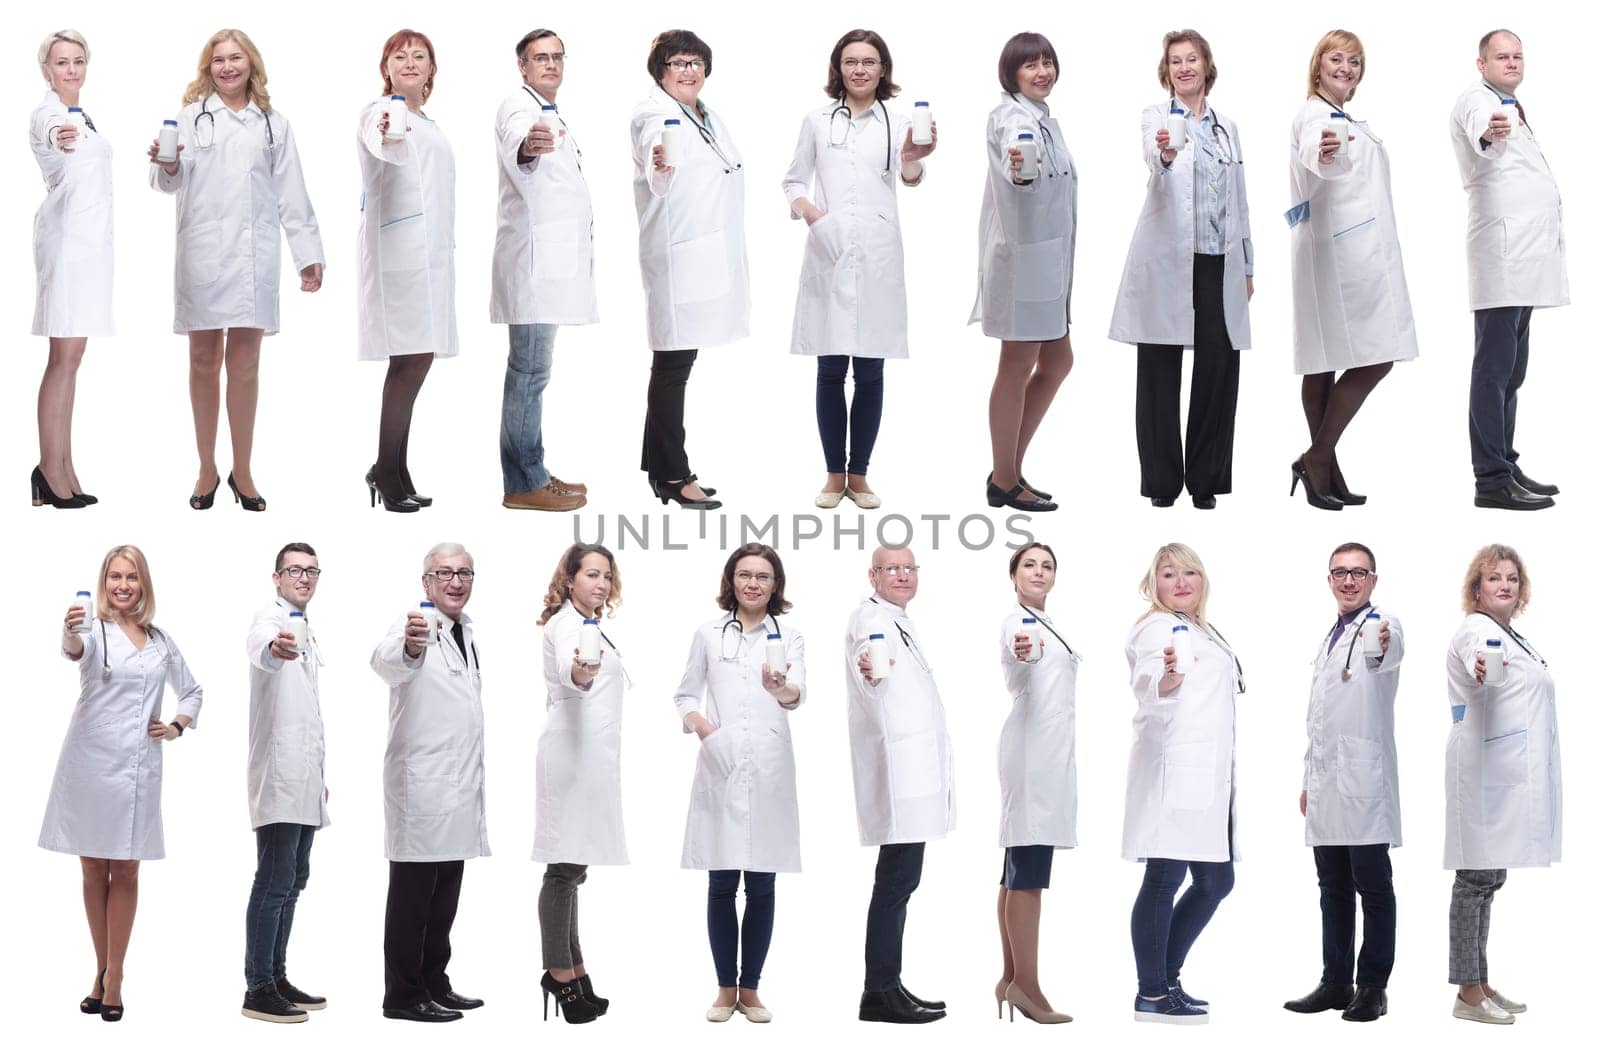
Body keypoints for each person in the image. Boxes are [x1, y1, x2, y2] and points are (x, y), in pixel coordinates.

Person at [150, 28, 323, 513]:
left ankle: (242, 469)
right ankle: (207, 466)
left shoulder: (273, 124)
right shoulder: (189, 118)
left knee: (245, 365)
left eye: (236, 58)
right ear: (209, 67)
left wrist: (306, 253)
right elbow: (167, 181)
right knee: (204, 362)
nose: (228, 67)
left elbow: (292, 191)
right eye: (219, 60)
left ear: (252, 65)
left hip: (252, 255)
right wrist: (166, 167)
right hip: (203, 253)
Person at [40, 545, 203, 1023]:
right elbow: (75, 650)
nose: (123, 585)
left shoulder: (160, 641)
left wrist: (177, 725)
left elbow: (192, 690)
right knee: (93, 871)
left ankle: (117, 974)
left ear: (143, 584)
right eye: (114, 577)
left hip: (136, 768)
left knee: (127, 871)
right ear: (104, 583)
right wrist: (71, 628)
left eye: (131, 577)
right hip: (89, 764)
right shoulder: (95, 632)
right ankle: (101, 970)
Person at [783, 29, 934, 510]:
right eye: (851, 61)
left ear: (883, 69)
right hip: (829, 251)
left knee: (870, 370)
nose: (860, 69)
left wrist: (912, 160)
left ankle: (860, 475)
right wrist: (812, 214)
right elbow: (792, 180)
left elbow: (907, 179)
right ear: (838, 68)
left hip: (877, 253)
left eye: (869, 61)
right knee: (830, 368)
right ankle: (833, 477)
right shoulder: (817, 120)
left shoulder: (899, 121)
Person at [1109, 29, 1253, 510]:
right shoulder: (1156, 117)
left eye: (1192, 59)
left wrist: (1248, 264)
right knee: (1158, 371)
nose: (1184, 68)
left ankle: (1206, 480)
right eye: (1175, 62)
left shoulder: (1226, 127)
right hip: (1168, 259)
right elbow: (1157, 157)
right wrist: (1167, 151)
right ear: (1166, 71)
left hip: (1218, 261)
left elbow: (1240, 198)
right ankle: (1162, 484)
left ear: (1206, 66)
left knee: (1219, 368)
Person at [674, 544, 806, 1023]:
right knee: (722, 882)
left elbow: (797, 694)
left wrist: (781, 689)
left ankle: (750, 990)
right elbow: (685, 693)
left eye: (763, 576)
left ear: (776, 586)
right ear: (731, 581)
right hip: (721, 766)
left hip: (769, 766)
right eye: (745, 575)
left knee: (763, 883)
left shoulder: (788, 637)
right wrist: (707, 730)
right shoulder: (708, 634)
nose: (753, 583)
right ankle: (723, 990)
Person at [1287, 31, 1417, 510]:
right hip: (1340, 256)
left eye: (1354, 61)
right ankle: (1317, 458)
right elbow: (1319, 155)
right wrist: (1324, 153)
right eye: (1336, 58)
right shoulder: (1315, 117)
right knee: (1373, 355)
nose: (1345, 67)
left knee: (1326, 360)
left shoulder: (1343, 115)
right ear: (1317, 64)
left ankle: (1326, 467)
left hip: (1345, 250)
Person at [1123, 543, 1240, 1023]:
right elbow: (1152, 676)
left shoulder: (1201, 628)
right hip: (1175, 772)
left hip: (1207, 774)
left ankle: (1166, 978)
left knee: (1216, 880)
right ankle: (1152, 992)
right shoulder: (1156, 627)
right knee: (1165, 878)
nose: (1181, 581)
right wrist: (1167, 675)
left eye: (1189, 571)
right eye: (1169, 574)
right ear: (1154, 583)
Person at [370, 543, 488, 1022]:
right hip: (421, 788)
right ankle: (402, 994)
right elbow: (385, 662)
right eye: (444, 573)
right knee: (412, 899)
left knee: (444, 897)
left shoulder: (466, 632)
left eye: (464, 573)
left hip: (458, 788)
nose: (455, 582)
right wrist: (411, 644)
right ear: (426, 583)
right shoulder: (411, 625)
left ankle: (435, 982)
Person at [1284, 542, 1401, 1022]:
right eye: (1340, 573)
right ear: (1329, 580)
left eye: (1359, 573)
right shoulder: (1330, 636)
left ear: (1373, 580)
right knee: (1331, 886)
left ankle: (1372, 986)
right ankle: (1335, 983)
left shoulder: (1381, 627)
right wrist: (1309, 777)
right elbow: (1320, 717)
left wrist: (1384, 645)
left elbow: (1383, 658)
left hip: (1364, 783)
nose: (1349, 581)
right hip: (1328, 783)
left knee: (1373, 888)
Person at [1443, 544, 1560, 1024]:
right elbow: (1480, 663)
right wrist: (1480, 667)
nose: (1505, 585)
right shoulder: (1478, 630)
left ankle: (1481, 981)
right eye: (1494, 579)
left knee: (1489, 878)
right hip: (1486, 768)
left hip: (1504, 767)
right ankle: (1467, 994)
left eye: (1512, 578)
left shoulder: (1511, 634)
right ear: (1477, 588)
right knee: (1474, 879)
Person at [630, 29, 745, 510]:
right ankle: (676, 475)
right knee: (672, 367)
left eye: (696, 63)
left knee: (675, 365)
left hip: (706, 254)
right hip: (679, 255)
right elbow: (657, 153)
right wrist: (659, 161)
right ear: (661, 70)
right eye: (678, 63)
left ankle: (658, 468)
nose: (688, 71)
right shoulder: (653, 113)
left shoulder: (706, 114)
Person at [1450, 30, 1566, 511]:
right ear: (1482, 63)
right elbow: (1485, 129)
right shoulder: (1478, 102)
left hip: (1525, 258)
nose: (1512, 62)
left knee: (1512, 371)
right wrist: (1492, 130)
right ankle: (1490, 479)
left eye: (1518, 55)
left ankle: (1506, 464)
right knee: (1493, 370)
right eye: (1502, 56)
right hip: (1503, 256)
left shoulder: (1512, 104)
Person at [846, 546, 953, 1023]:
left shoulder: (895, 617)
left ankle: (889, 984)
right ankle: (879, 992)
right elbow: (872, 666)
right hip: (899, 771)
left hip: (915, 771)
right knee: (894, 885)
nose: (903, 576)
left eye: (909, 568)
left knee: (901, 884)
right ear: (873, 575)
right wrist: (872, 670)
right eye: (892, 569)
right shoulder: (870, 619)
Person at [974, 32, 1076, 514]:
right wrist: (1022, 167)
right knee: (1015, 367)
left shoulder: (1044, 118)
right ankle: (1005, 479)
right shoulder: (1014, 117)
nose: (1042, 72)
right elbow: (1022, 158)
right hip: (1024, 263)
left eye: (1048, 63)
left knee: (1057, 363)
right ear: (1011, 73)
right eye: (1031, 65)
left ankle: (1007, 472)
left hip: (1048, 261)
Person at [491, 28, 591, 512]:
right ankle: (523, 481)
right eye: (540, 58)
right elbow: (521, 144)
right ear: (523, 66)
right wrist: (529, 145)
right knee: (528, 372)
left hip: (548, 268)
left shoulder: (548, 110)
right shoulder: (519, 108)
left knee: (534, 372)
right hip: (532, 269)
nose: (550, 64)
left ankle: (532, 471)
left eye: (557, 57)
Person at [358, 29, 455, 513]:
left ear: (432, 69)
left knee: (419, 357)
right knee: (409, 358)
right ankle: (386, 471)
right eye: (401, 55)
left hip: (430, 255)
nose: (411, 62)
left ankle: (393, 468)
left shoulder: (429, 123)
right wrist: (387, 131)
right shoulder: (379, 113)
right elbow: (384, 144)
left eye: (421, 55)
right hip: (398, 255)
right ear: (387, 68)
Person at [534, 544, 629, 1025]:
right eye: (591, 574)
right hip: (571, 759)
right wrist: (581, 672)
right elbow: (573, 674)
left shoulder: (589, 624)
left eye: (607, 576)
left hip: (588, 759)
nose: (601, 584)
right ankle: (560, 975)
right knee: (563, 873)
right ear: (569, 579)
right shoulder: (568, 625)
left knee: (572, 872)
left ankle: (575, 969)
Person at [241, 543, 330, 1024]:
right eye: (295, 569)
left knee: (294, 880)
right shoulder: (268, 619)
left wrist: (319, 776)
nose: (304, 577)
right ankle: (257, 987)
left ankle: (276, 976)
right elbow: (262, 650)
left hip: (304, 778)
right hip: (278, 775)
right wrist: (275, 647)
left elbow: (307, 711)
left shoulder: (308, 628)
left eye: (312, 570)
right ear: (276, 577)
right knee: (274, 881)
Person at [994, 543, 1075, 1024]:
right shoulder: (1020, 624)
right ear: (1014, 575)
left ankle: (1009, 977)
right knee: (1028, 870)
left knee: (1014, 870)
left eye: (1047, 565)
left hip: (1042, 755)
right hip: (1033, 758)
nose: (1039, 571)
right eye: (1030, 565)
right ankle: (1028, 986)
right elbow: (1021, 650)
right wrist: (1024, 652)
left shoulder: (1045, 622)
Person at [30, 29, 110, 509]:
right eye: (62, 62)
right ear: (46, 69)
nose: (72, 69)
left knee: (72, 361)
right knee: (61, 361)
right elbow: (53, 135)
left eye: (78, 60)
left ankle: (65, 464)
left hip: (88, 252)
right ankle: (47, 469)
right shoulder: (49, 114)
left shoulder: (82, 116)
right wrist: (58, 136)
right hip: (66, 249)